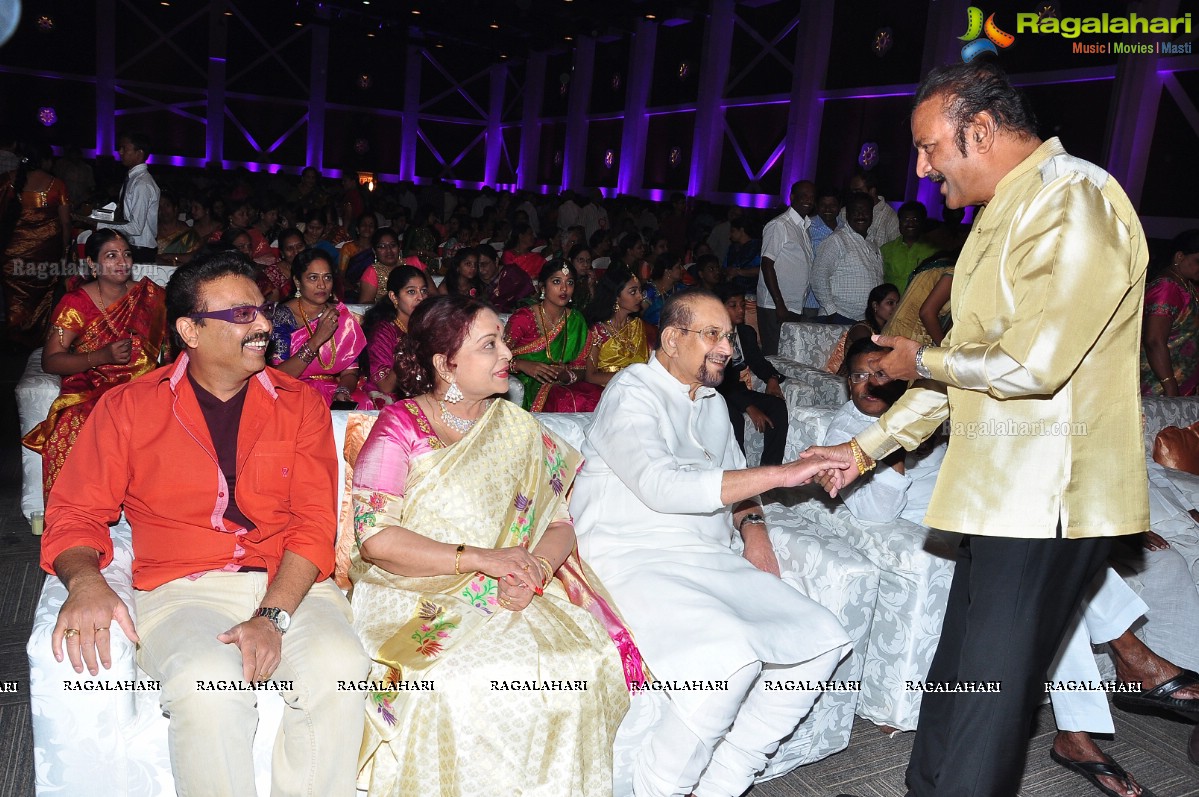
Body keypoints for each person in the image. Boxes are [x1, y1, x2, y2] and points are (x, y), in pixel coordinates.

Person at [808, 60, 1155, 797]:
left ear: (983, 128)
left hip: (1046, 500)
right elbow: (959, 373)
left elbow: (1033, 362)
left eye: (930, 146)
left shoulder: (1076, 200)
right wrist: (862, 447)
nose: (921, 166)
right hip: (996, 496)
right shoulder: (1004, 213)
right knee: (958, 678)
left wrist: (921, 355)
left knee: (987, 705)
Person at [39, 250, 369, 795]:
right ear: (190, 330)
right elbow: (74, 511)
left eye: (261, 310)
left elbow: (314, 525)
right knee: (206, 685)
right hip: (182, 589)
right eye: (242, 315)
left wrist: (273, 616)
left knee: (339, 667)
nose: (264, 324)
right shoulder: (128, 408)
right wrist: (87, 580)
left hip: (290, 585)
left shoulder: (300, 405)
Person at [831, 339, 1197, 797]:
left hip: (978, 516)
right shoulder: (849, 431)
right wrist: (892, 455)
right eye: (858, 376)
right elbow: (876, 515)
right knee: (1050, 571)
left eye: (879, 374)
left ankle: (1089, 720)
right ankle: (1125, 665)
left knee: (1054, 571)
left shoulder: (919, 412)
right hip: (934, 528)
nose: (868, 385)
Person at [349, 294, 641, 796]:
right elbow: (376, 539)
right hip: (414, 591)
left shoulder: (518, 427)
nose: (508, 353)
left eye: (502, 340)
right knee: (454, 681)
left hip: (513, 588)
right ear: (447, 364)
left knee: (579, 666)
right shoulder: (399, 426)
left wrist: (534, 573)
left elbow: (560, 525)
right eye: (490, 345)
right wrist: (483, 559)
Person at [572, 290, 851, 797]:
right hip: (632, 553)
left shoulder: (714, 404)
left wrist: (756, 533)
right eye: (713, 335)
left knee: (822, 635)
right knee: (728, 659)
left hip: (706, 555)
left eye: (728, 335)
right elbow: (662, 486)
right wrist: (785, 473)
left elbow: (736, 481)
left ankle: (724, 783)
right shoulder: (632, 389)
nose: (727, 347)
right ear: (673, 339)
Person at [22, 229, 166, 496]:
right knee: (76, 420)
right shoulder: (77, 302)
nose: (122, 262)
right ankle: (75, 510)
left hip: (143, 385)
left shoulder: (151, 297)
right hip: (90, 385)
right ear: (92, 263)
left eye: (126, 254)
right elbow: (51, 361)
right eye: (111, 256)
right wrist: (101, 357)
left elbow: (170, 348)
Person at [268, 249, 368, 407]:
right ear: (298, 282)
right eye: (313, 278)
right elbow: (278, 376)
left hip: (334, 390)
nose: (322, 285)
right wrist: (316, 340)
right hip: (294, 390)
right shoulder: (283, 316)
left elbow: (350, 370)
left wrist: (343, 390)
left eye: (327, 277)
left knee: (363, 402)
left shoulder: (341, 315)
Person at [505, 260, 603, 412]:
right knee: (568, 401)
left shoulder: (576, 320)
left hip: (561, 385)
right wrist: (523, 365)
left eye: (569, 282)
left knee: (600, 397)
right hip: (527, 382)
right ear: (543, 287)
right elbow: (494, 358)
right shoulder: (524, 318)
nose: (564, 288)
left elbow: (580, 368)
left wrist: (565, 375)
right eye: (557, 281)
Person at [0, 142, 72, 347]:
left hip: (11, 253)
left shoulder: (7, 180)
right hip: (46, 254)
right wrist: (65, 250)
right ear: (46, 161)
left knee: (14, 300)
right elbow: (66, 222)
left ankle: (14, 337)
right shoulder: (56, 184)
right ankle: (35, 340)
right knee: (40, 298)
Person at [716, 284, 788, 466]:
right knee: (735, 419)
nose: (740, 310)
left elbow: (758, 362)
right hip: (717, 392)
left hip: (737, 390)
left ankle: (770, 471)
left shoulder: (746, 332)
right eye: (733, 305)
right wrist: (748, 405)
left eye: (742, 305)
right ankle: (738, 473)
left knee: (778, 406)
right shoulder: (713, 336)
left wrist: (772, 378)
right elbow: (718, 381)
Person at [757, 180, 815, 355]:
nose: (808, 200)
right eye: (803, 195)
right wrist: (779, 304)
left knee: (787, 356)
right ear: (792, 197)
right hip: (775, 306)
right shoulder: (779, 225)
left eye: (812, 196)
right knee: (774, 356)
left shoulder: (803, 227)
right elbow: (767, 265)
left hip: (793, 305)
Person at [1140, 229, 1199, 397]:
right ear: (1179, 256)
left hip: (1181, 386)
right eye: (1198, 261)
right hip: (1160, 388)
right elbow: (1154, 341)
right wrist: (1170, 387)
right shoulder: (1166, 288)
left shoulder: (1185, 286)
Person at [361, 265, 429, 404]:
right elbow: (386, 386)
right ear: (393, 297)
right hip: (391, 398)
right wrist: (407, 350)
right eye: (411, 292)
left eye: (423, 291)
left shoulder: (428, 324)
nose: (420, 297)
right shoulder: (384, 331)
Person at [812, 192, 884, 323]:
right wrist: (831, 311)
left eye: (865, 211)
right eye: (856, 211)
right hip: (839, 317)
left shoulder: (872, 244)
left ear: (872, 214)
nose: (861, 215)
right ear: (847, 215)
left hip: (865, 320)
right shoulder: (836, 240)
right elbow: (818, 276)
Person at [583, 260, 652, 387]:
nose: (640, 297)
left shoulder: (638, 325)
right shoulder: (597, 331)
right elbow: (590, 377)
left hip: (641, 389)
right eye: (633, 292)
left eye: (639, 291)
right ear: (616, 297)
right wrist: (630, 377)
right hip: (609, 391)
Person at [96, 132, 160, 262]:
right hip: (132, 246)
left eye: (124, 148)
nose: (120, 152)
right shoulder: (133, 179)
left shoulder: (142, 184)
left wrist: (102, 225)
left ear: (139, 153)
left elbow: (136, 227)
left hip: (141, 249)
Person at [882, 252, 956, 346]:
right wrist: (944, 349)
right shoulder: (953, 271)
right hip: (910, 340)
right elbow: (927, 313)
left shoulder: (936, 265)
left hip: (895, 335)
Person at [880, 201, 937, 291]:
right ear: (899, 223)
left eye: (915, 219)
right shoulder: (886, 249)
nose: (910, 223)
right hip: (894, 303)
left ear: (922, 223)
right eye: (906, 219)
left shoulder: (934, 251)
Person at [844, 168, 901, 248]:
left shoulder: (890, 217)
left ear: (872, 191)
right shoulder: (845, 211)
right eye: (852, 191)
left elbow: (895, 249)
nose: (854, 195)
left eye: (858, 191)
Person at [357, 227, 406, 304]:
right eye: (382, 246)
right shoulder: (372, 272)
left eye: (393, 245)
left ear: (399, 247)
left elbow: (431, 293)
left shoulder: (412, 263)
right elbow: (365, 306)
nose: (389, 250)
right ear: (374, 251)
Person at [259, 228, 305, 304]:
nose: (296, 252)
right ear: (282, 253)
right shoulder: (271, 275)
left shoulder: (314, 267)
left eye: (299, 246)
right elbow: (272, 310)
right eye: (290, 249)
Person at [156, 189, 200, 267]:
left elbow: (194, 261)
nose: (163, 210)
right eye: (159, 207)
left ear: (175, 208)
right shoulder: (151, 233)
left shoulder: (189, 235)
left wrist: (168, 258)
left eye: (167, 205)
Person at [640, 252, 686, 327]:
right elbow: (638, 314)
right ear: (668, 271)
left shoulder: (681, 289)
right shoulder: (650, 290)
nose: (682, 269)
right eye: (678, 267)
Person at [724, 218, 761, 295]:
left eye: (733, 231)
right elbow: (725, 267)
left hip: (752, 293)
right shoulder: (733, 248)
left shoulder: (757, 246)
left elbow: (761, 270)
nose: (730, 235)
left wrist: (738, 272)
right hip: (734, 291)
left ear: (741, 230)